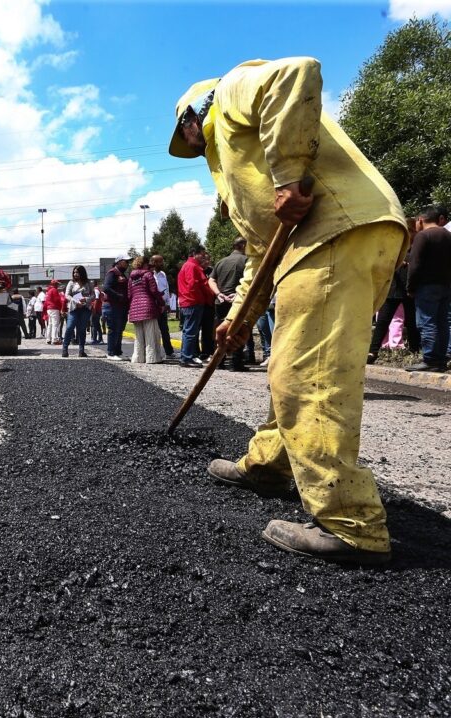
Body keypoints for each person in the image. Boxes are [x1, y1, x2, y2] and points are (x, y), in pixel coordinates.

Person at [170, 56, 408, 564]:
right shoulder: (237, 161)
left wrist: (288, 176)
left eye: (186, 138)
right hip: (336, 238)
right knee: (293, 365)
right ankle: (270, 465)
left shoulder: (230, 91)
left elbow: (296, 72)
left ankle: (350, 524)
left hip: (334, 231)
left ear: (191, 118)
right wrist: (237, 318)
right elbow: (262, 253)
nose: (192, 149)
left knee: (307, 375)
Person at [405, 205, 451, 372]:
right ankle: (441, 360)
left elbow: (415, 264)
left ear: (420, 220)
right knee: (443, 322)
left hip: (426, 286)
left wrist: (410, 286)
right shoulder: (448, 235)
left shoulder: (423, 236)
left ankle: (430, 359)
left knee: (427, 322)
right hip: (445, 286)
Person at [368, 216, 419, 364]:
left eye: (411, 231)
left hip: (410, 289)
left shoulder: (417, 246)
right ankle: (373, 351)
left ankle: (415, 349)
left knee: (412, 322)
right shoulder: (394, 246)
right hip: (393, 288)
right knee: (383, 321)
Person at [213, 237, 251, 371]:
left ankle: (219, 361)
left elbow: (211, 280)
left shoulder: (220, 262)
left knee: (221, 330)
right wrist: (238, 294)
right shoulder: (246, 261)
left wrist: (218, 294)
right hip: (237, 301)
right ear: (243, 246)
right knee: (237, 330)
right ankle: (236, 362)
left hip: (221, 301)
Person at [176, 247, 214, 368]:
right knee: (191, 331)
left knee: (188, 331)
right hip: (193, 302)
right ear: (194, 254)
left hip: (189, 301)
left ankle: (186, 356)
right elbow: (193, 284)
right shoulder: (192, 266)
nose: (203, 257)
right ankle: (187, 358)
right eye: (201, 254)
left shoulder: (188, 265)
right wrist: (202, 298)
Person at [127, 254, 166, 364]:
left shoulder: (131, 278)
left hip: (135, 308)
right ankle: (152, 358)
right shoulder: (148, 274)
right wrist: (162, 302)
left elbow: (129, 295)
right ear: (144, 264)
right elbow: (154, 291)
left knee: (139, 336)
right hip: (148, 307)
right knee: (151, 334)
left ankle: (138, 358)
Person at [61, 266, 93, 358]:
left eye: (77, 272)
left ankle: (81, 350)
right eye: (74, 272)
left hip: (85, 308)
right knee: (69, 327)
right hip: (73, 308)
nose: (75, 274)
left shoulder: (89, 283)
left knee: (82, 329)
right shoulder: (71, 283)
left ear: (82, 273)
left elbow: (93, 295)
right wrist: (76, 301)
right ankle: (65, 349)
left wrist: (85, 299)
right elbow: (67, 295)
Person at [102, 255, 130, 360]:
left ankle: (118, 351)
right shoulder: (112, 273)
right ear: (118, 262)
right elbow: (106, 288)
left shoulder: (123, 275)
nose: (127, 264)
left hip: (122, 307)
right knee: (113, 329)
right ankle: (111, 353)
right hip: (112, 306)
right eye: (125, 261)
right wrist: (119, 296)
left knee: (120, 329)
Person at [149, 254, 174, 357]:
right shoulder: (149, 274)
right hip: (153, 306)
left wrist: (167, 303)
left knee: (165, 330)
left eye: (162, 261)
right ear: (153, 262)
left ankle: (169, 352)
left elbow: (166, 289)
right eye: (159, 262)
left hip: (163, 306)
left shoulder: (163, 274)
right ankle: (154, 353)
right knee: (153, 331)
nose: (162, 263)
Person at [44, 279, 64, 344]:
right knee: (55, 324)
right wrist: (61, 308)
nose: (58, 285)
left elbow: (46, 301)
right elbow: (57, 300)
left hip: (49, 309)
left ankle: (48, 339)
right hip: (54, 308)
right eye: (57, 284)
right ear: (55, 284)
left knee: (50, 324)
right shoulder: (54, 290)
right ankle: (54, 339)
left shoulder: (49, 291)